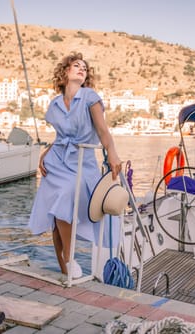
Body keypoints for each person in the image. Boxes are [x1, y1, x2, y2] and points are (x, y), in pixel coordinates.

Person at [28, 52, 122, 278]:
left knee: (65, 197)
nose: (82, 69)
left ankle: (69, 260)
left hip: (81, 163)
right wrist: (46, 152)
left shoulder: (90, 97)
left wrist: (113, 154)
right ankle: (66, 265)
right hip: (57, 161)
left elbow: (102, 131)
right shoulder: (55, 104)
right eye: (76, 65)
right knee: (57, 212)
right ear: (65, 72)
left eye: (85, 68)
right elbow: (61, 136)